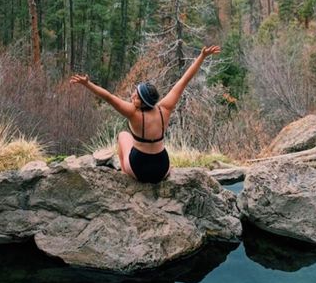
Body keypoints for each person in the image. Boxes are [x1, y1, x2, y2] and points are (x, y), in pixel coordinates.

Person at [69, 46, 221, 183]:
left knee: (123, 135)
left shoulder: (133, 114)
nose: (132, 96)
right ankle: (159, 171)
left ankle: (124, 173)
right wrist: (202, 57)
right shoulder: (165, 109)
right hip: (162, 169)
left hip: (139, 170)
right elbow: (184, 80)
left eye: (135, 96)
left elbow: (108, 97)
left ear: (143, 102)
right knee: (155, 148)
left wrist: (87, 84)